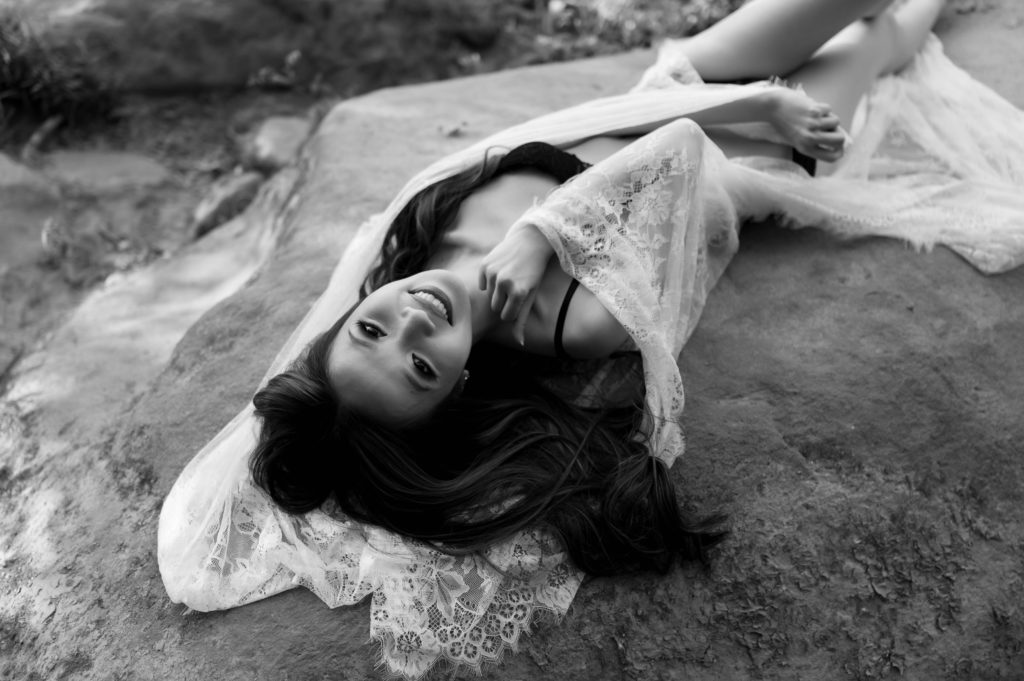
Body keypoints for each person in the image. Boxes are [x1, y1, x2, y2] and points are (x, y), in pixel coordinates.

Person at [159, 0, 1024, 676]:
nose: (413, 319)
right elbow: (680, 154)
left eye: (373, 325)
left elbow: (614, 125)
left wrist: (724, 91)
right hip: (754, 150)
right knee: (879, 38)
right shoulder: (575, 325)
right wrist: (543, 231)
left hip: (669, 90)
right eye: (420, 364)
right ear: (458, 385)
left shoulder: (406, 242)